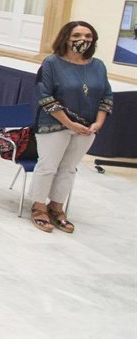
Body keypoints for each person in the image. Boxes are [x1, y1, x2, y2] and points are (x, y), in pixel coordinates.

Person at [30, 21, 113, 234]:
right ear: (66, 38)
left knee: (69, 168)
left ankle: (56, 207)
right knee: (48, 166)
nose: (82, 40)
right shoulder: (51, 63)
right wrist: (69, 123)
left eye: (88, 36)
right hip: (54, 124)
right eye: (76, 35)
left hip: (87, 128)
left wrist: (98, 123)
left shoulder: (98, 66)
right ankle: (38, 207)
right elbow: (44, 96)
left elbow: (106, 96)